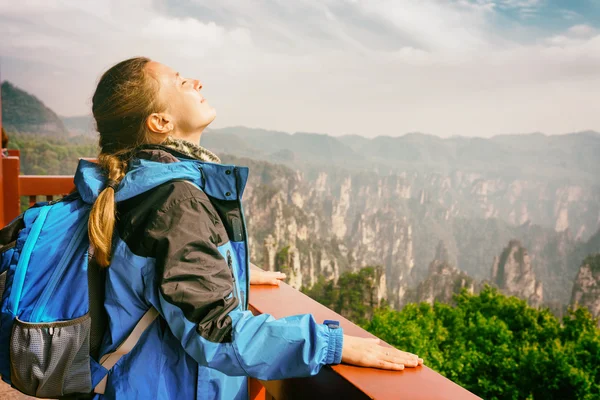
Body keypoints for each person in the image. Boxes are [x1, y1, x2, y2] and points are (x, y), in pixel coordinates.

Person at [85, 57, 422, 399]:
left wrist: (227, 266)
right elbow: (216, 331)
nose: (197, 82)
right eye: (181, 82)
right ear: (160, 121)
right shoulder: (174, 202)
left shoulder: (133, 183)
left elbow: (159, 270)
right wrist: (330, 344)